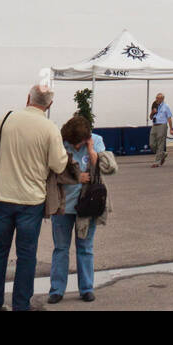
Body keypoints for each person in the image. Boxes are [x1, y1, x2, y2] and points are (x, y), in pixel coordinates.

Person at [0, 84, 68, 312]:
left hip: (2, 199)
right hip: (31, 202)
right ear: (50, 105)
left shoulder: (6, 119)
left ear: (28, 98)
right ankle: (21, 305)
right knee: (26, 256)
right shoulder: (49, 128)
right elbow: (58, 165)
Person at [46, 114, 117, 304]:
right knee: (60, 248)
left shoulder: (97, 141)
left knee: (85, 248)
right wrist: (76, 178)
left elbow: (105, 168)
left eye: (79, 143)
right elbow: (53, 171)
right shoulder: (61, 143)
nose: (75, 147)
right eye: (73, 143)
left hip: (88, 205)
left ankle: (86, 288)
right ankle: (57, 290)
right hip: (63, 206)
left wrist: (91, 149)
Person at [148, 93, 173, 168]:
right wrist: (152, 112)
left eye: (158, 98)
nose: (156, 99)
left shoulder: (166, 106)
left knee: (160, 143)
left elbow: (169, 118)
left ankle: (156, 162)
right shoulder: (154, 105)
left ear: (162, 99)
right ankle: (163, 154)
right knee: (152, 144)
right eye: (156, 98)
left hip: (162, 125)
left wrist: (171, 129)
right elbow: (151, 117)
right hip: (154, 125)